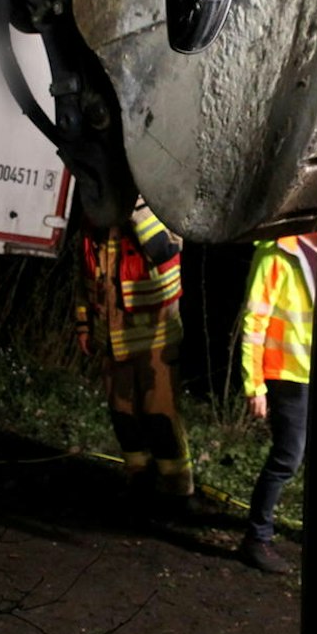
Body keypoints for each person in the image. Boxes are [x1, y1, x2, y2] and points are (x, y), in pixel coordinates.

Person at [77, 197, 195, 509]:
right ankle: (139, 481)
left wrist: (136, 209)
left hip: (155, 336)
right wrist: (83, 325)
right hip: (112, 339)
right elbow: (84, 277)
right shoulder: (95, 220)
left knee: (160, 414)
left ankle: (177, 490)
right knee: (123, 415)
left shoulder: (163, 208)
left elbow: (164, 250)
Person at [236, 231, 317, 574]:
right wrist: (254, 384)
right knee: (288, 457)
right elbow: (254, 321)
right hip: (286, 373)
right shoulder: (277, 252)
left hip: (313, 374)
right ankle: (256, 539)